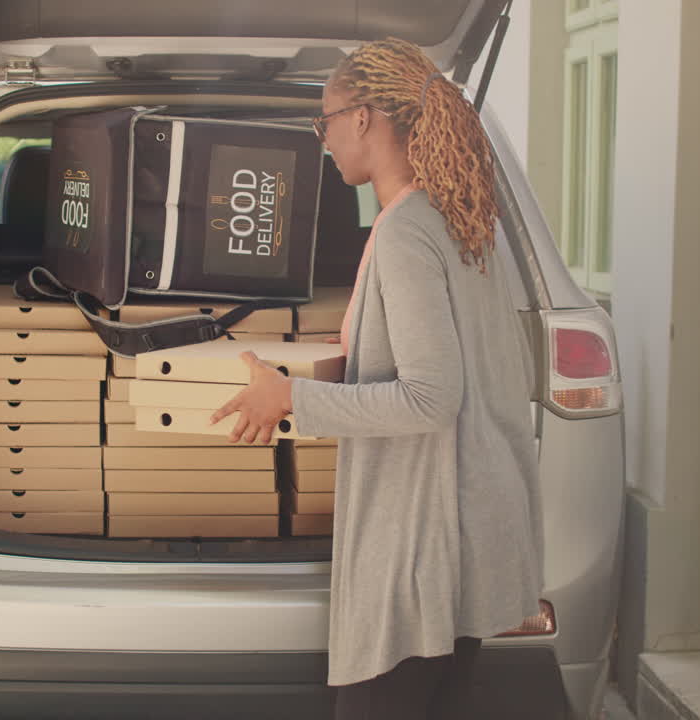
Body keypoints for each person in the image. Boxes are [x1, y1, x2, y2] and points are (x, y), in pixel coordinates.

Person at [211, 39, 544, 718]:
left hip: (425, 546)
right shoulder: (460, 223)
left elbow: (431, 397)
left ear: (362, 117)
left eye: (324, 121)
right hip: (470, 534)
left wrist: (290, 398)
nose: (323, 140)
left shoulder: (406, 234)